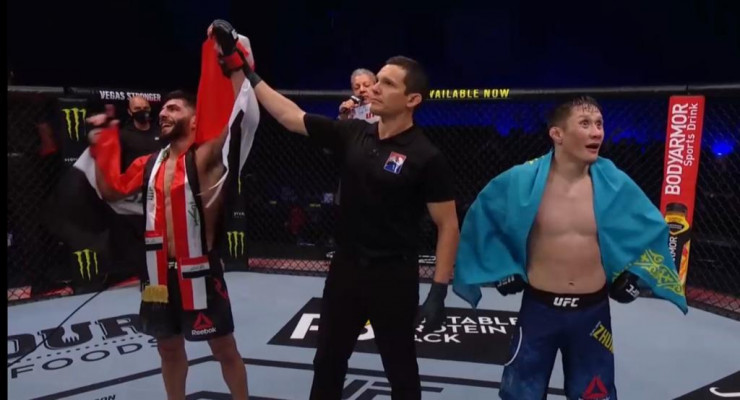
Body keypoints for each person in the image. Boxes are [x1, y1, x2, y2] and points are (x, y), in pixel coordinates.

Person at [241, 52, 460, 399]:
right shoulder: (354, 132)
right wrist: (248, 73)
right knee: (328, 360)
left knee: (400, 368)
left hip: (392, 275)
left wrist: (439, 290)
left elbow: (447, 225)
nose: (374, 88)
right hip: (345, 269)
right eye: (377, 80)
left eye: (387, 83)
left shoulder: (426, 156)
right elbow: (291, 117)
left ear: (412, 99)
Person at [453, 95, 688, 400]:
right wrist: (504, 267)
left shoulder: (615, 183)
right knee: (520, 394)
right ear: (557, 134)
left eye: (599, 124)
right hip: (539, 310)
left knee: (594, 395)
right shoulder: (521, 180)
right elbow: (482, 219)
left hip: (592, 312)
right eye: (585, 123)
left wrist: (635, 275)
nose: (596, 132)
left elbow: (652, 230)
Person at [87, 20, 258, 400]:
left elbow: (238, 115)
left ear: (195, 119)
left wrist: (231, 57)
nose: (163, 113)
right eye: (163, 108)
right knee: (167, 348)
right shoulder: (150, 163)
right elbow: (111, 190)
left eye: (173, 108)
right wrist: (103, 141)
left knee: (223, 348)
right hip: (156, 275)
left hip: (200, 268)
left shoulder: (206, 158)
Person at [119, 96, 162, 170]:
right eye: (137, 109)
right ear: (130, 112)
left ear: (150, 109)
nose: (142, 111)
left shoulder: (161, 132)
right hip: (134, 175)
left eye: (146, 108)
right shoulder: (123, 135)